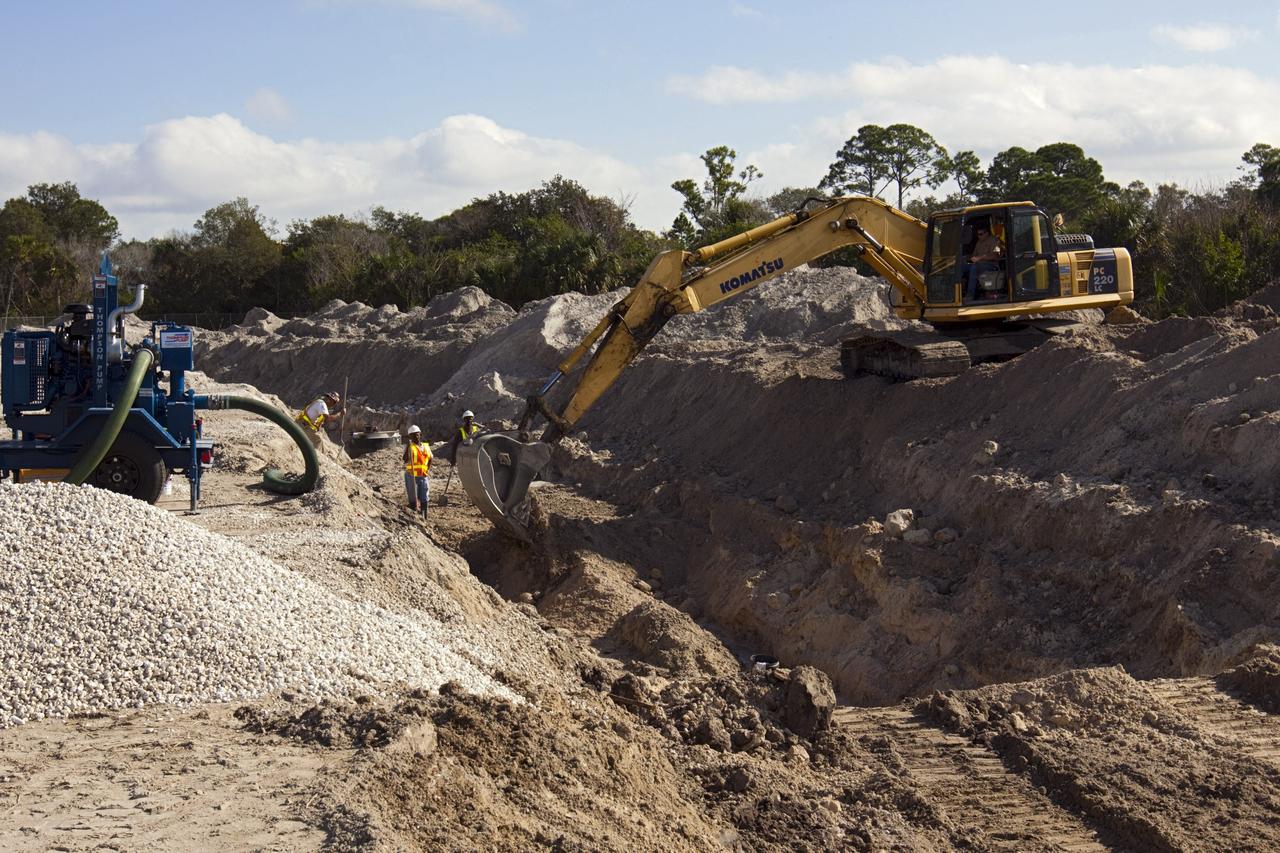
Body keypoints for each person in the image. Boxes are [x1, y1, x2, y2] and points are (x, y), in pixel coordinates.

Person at [963, 224, 1006, 301]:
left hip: (991, 266)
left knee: (974, 267)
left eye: (981, 234)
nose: (979, 236)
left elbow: (996, 255)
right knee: (961, 267)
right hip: (979, 264)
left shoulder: (995, 241)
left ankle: (970, 295)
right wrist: (966, 258)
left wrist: (980, 257)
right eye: (978, 234)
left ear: (987, 233)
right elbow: (974, 255)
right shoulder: (979, 242)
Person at [403, 425, 431, 518]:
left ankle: (424, 516)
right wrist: (408, 447)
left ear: (420, 434)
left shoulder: (426, 446)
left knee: (424, 496)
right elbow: (405, 459)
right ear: (410, 437)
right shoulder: (410, 447)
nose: (415, 437)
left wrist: (427, 469)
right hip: (412, 476)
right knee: (413, 497)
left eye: (417, 434)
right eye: (413, 435)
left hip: (423, 475)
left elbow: (431, 458)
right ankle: (414, 516)